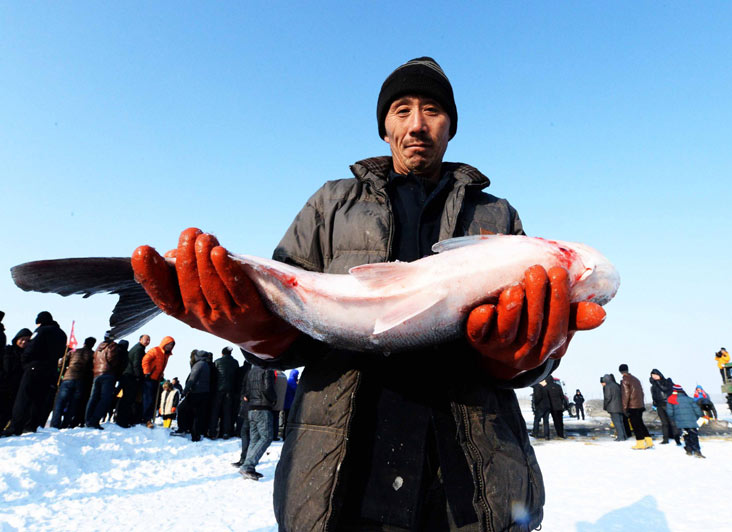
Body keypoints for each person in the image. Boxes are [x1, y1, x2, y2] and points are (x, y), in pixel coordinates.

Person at [131, 56, 607, 530]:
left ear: (451, 127)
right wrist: (259, 335)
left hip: (468, 481)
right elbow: (289, 334)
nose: (417, 125)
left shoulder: (498, 216)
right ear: (384, 127)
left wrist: (525, 361)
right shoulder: (330, 203)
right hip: (345, 477)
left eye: (432, 111)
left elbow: (536, 339)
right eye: (402, 110)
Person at [3, 312, 66, 436]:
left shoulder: (41, 330)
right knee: (39, 399)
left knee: (23, 398)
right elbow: (61, 353)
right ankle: (31, 426)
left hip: (34, 368)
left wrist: (25, 362)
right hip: (51, 370)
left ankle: (15, 427)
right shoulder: (62, 334)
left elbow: (31, 348)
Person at [239, 363, 277, 480]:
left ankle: (247, 465)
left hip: (251, 409)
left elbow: (245, 390)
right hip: (263, 408)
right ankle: (248, 466)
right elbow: (267, 388)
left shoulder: (250, 371)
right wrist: (273, 399)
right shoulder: (267, 369)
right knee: (266, 437)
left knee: (255, 439)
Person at [52, 337, 96, 429]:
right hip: (81, 380)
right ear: (93, 345)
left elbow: (62, 363)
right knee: (73, 403)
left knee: (60, 402)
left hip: (68, 378)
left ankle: (55, 424)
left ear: (84, 343)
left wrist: (62, 371)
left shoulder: (74, 351)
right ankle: (66, 424)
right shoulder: (93, 354)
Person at [85, 338, 127, 429]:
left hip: (97, 373)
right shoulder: (113, 346)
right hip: (108, 374)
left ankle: (88, 419)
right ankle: (95, 420)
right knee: (105, 399)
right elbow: (112, 360)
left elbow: (94, 359)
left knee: (93, 397)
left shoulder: (99, 346)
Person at [1, 328, 31, 431]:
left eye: (27, 340)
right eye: (22, 339)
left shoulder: (28, 356)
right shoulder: (7, 350)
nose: (24, 342)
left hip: (16, 388)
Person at [141, 336, 175, 425]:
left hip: (156, 379)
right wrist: (147, 372)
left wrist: (161, 374)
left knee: (153, 399)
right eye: (168, 344)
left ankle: (149, 418)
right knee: (148, 399)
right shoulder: (155, 350)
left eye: (171, 345)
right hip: (149, 378)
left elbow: (160, 366)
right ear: (164, 343)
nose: (169, 346)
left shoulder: (166, 355)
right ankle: (146, 419)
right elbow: (145, 360)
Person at [665, 384, 705, 458]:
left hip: (680, 421)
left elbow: (670, 412)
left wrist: (674, 419)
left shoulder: (671, 400)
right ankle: (697, 451)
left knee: (686, 434)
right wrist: (697, 417)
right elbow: (698, 411)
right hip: (691, 420)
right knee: (693, 435)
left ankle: (689, 450)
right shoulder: (689, 399)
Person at [118, 334, 149, 427]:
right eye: (146, 339)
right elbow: (137, 364)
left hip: (128, 375)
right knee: (128, 399)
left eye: (149, 340)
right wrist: (138, 376)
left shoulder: (139, 348)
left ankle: (123, 420)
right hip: (130, 376)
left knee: (127, 399)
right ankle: (122, 421)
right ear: (140, 339)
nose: (148, 341)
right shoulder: (139, 349)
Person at [620, 364, 653, 449]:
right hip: (639, 405)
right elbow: (642, 393)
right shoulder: (636, 379)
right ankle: (649, 441)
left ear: (620, 372)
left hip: (632, 406)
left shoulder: (625, 380)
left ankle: (640, 443)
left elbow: (625, 395)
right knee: (641, 424)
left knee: (635, 425)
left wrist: (624, 408)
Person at [209, 346, 239, 439]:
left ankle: (212, 432)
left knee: (215, 411)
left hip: (218, 390)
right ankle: (226, 432)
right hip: (230, 390)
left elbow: (213, 377)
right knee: (227, 412)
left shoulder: (217, 362)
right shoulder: (235, 362)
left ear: (222, 354)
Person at [183, 349, 212, 441]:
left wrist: (185, 391)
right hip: (205, 393)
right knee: (200, 415)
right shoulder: (206, 365)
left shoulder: (198, 365)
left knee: (192, 413)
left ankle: (193, 434)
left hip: (196, 393)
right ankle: (198, 433)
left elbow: (192, 379)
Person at [649, 369, 681, 446]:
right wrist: (654, 404)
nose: (654, 377)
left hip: (668, 404)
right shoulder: (653, 386)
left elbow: (665, 389)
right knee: (664, 423)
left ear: (660, 374)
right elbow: (654, 396)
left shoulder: (667, 381)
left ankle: (677, 439)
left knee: (672, 422)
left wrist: (657, 382)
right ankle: (665, 439)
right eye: (653, 376)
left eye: (656, 375)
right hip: (660, 405)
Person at [232, 360, 252, 468]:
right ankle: (247, 459)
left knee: (245, 432)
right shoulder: (264, 372)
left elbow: (243, 387)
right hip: (257, 407)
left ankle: (245, 459)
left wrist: (244, 396)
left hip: (247, 406)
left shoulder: (246, 373)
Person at [601, 374, 626, 441]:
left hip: (613, 407)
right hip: (619, 406)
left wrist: (605, 406)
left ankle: (620, 437)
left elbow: (607, 398)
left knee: (616, 423)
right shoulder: (616, 385)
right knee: (621, 422)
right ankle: (624, 436)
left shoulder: (608, 386)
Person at [279, 368, 299, 440]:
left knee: (285, 421)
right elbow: (297, 392)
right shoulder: (293, 382)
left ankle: (284, 435)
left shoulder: (287, 381)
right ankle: (287, 435)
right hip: (291, 404)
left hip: (285, 404)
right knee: (289, 421)